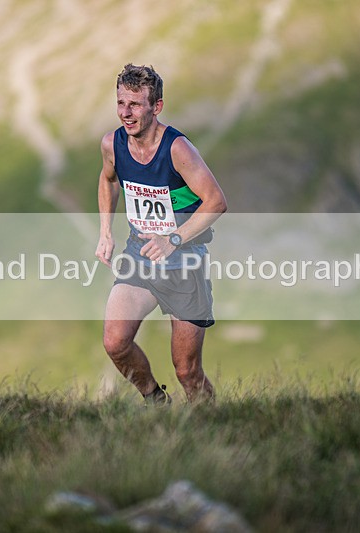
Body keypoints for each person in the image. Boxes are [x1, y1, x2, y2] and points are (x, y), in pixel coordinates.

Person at [96, 63, 228, 404]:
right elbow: (108, 179)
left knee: (187, 371)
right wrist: (106, 231)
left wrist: (173, 239)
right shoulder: (112, 144)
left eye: (135, 105)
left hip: (185, 262)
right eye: (121, 103)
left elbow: (216, 201)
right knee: (115, 342)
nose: (126, 113)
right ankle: (155, 400)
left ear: (156, 106)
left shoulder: (177, 149)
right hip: (139, 255)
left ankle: (214, 425)